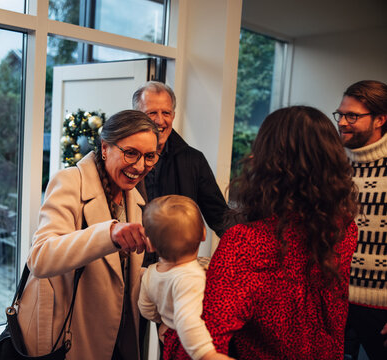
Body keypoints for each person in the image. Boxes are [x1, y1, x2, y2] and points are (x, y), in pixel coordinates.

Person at [163, 106, 359, 359]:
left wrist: (172, 327)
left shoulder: (248, 241)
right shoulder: (343, 230)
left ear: (268, 162)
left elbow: (204, 342)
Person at [19, 110, 158, 360]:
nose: (140, 166)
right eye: (131, 153)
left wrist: (170, 277)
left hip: (116, 340)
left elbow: (120, 276)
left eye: (149, 156)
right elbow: (40, 258)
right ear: (105, 148)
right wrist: (109, 234)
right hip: (69, 340)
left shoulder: (135, 200)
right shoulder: (70, 183)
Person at [139, 195, 233, 360]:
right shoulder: (190, 277)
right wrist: (208, 354)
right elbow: (187, 320)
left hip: (170, 338)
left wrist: (165, 321)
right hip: (192, 346)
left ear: (151, 245)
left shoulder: (150, 273)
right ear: (204, 234)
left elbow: (145, 308)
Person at [132, 81, 229, 238]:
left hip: (176, 259)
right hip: (130, 258)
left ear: (174, 116)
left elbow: (220, 217)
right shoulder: (122, 159)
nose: (159, 120)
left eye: (166, 113)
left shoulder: (194, 161)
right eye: (152, 113)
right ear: (136, 115)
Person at [334, 80, 387, 360]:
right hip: (334, 301)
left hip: (380, 310)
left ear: (380, 119)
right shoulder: (335, 165)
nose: (342, 122)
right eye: (340, 114)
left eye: (352, 116)